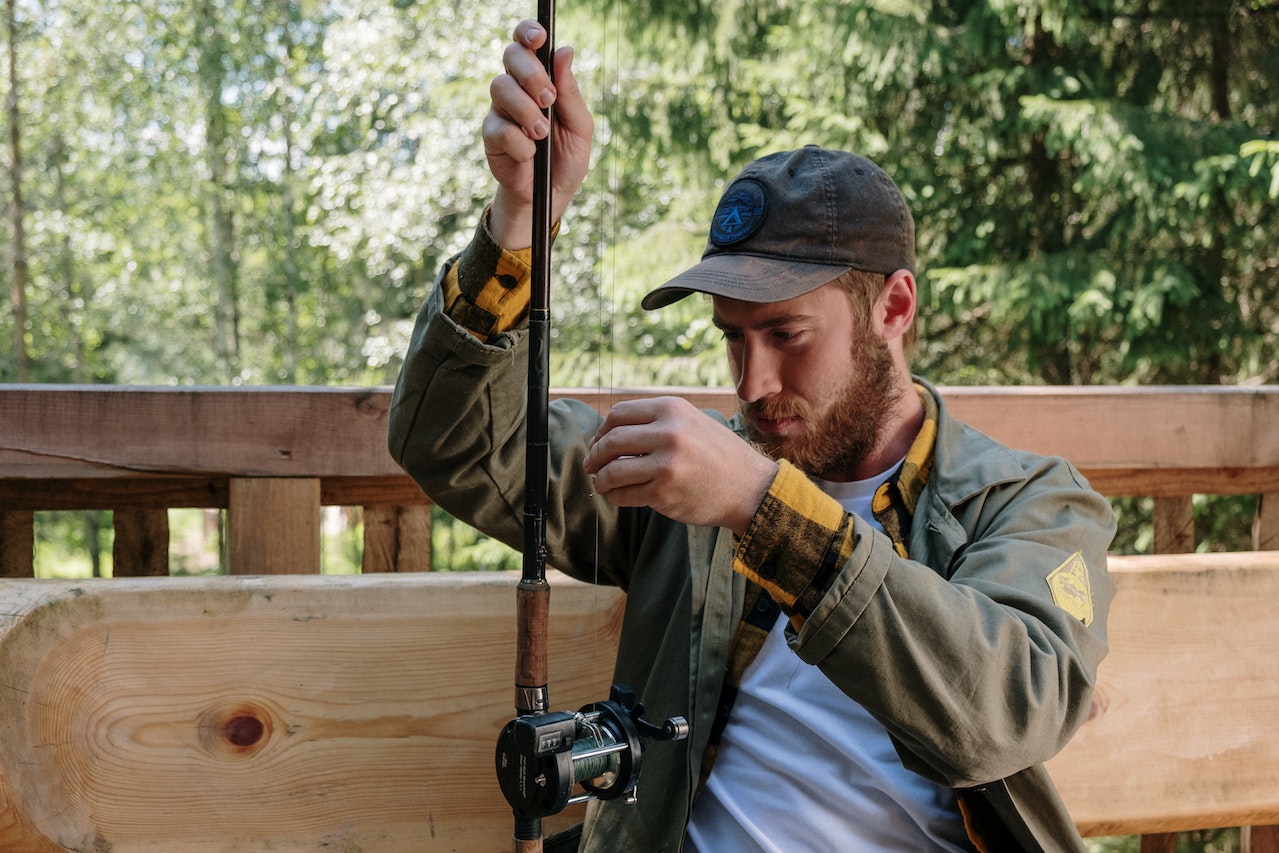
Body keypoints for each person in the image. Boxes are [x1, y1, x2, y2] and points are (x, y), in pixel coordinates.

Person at [389, 18, 1116, 853]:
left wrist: (761, 506)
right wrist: (522, 220)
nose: (752, 382)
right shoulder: (687, 484)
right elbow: (452, 439)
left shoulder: (1027, 500)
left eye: (786, 335)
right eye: (732, 336)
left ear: (895, 309)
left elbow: (1007, 709)